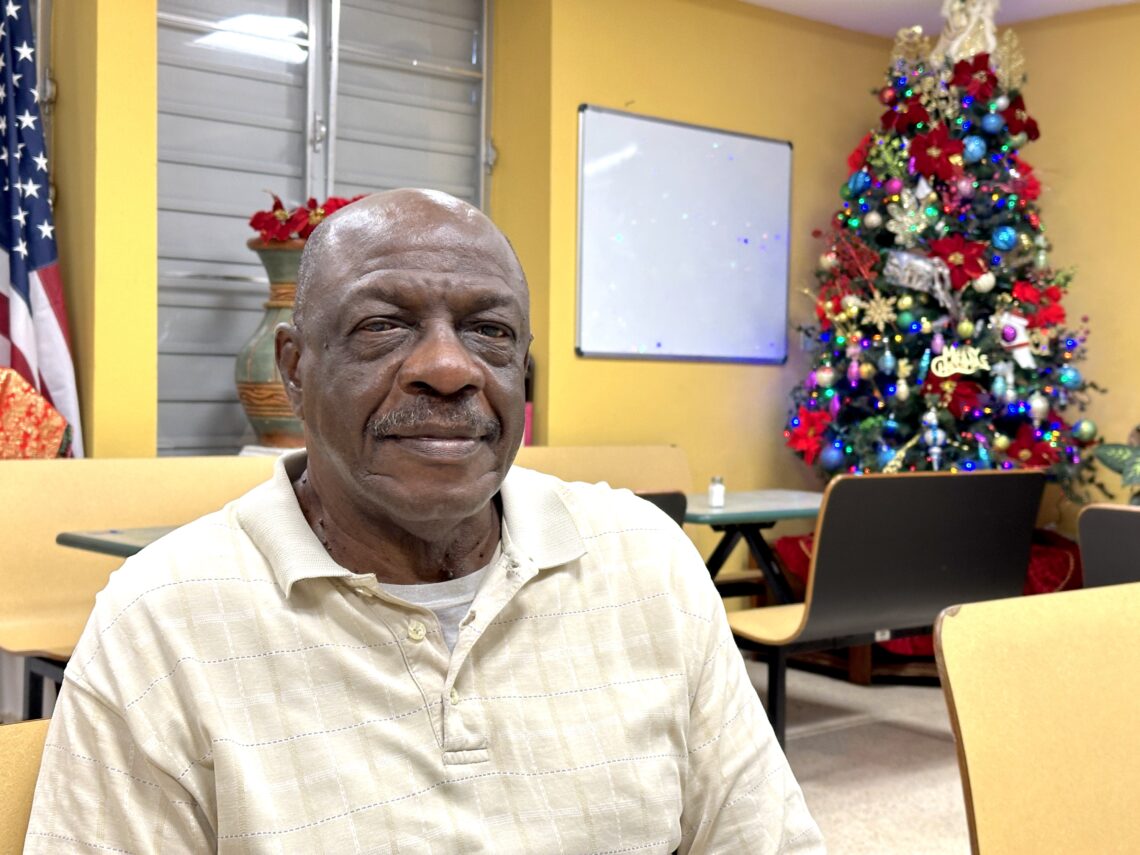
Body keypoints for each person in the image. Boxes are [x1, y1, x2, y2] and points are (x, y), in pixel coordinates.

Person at [25, 189, 822, 853]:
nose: (449, 367)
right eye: (383, 325)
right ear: (294, 369)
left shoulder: (649, 563)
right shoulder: (160, 624)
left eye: (491, 332)